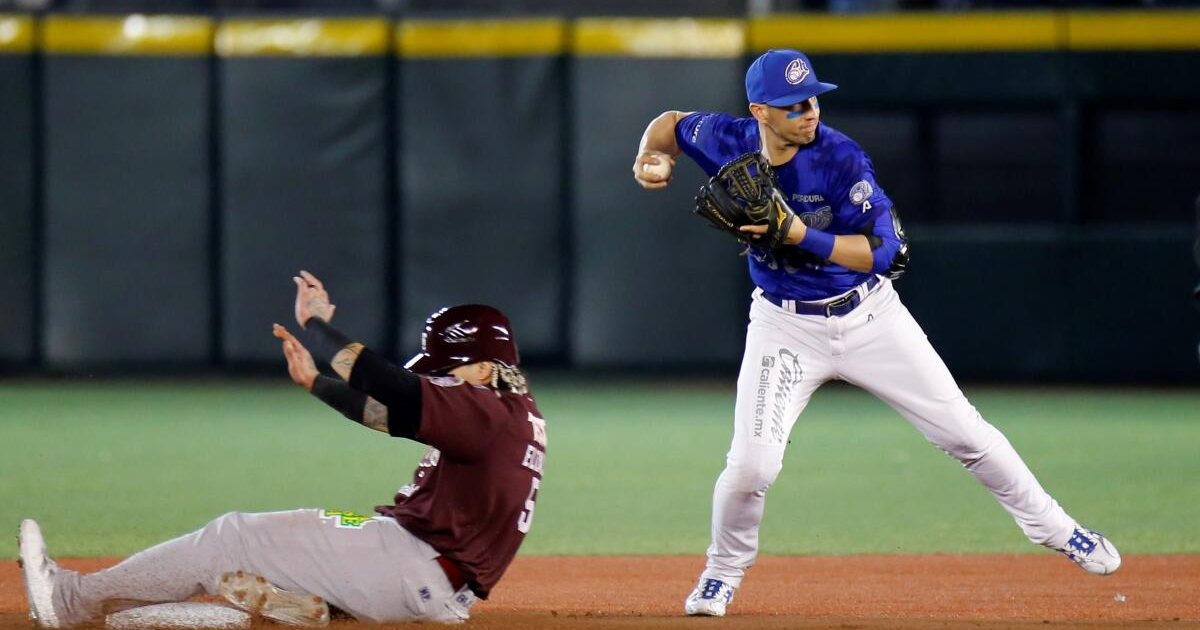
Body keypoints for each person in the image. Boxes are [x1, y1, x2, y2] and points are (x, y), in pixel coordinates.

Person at [632, 49, 1120, 617]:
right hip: (784, 324)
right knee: (751, 466)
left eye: (813, 98)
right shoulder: (725, 137)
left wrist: (799, 235)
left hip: (870, 317)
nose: (809, 111)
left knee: (965, 432)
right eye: (794, 105)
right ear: (760, 111)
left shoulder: (839, 157)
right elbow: (667, 125)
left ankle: (1062, 531)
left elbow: (890, 253)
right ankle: (721, 572)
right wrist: (651, 157)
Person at [18, 270, 547, 627]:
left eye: (446, 368)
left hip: (414, 564)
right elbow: (388, 416)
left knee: (231, 537)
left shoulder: (482, 407)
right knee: (311, 528)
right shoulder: (509, 415)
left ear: (482, 365)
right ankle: (316, 604)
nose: (438, 381)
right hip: (429, 577)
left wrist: (318, 323)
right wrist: (320, 384)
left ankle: (69, 601)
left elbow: (389, 384)